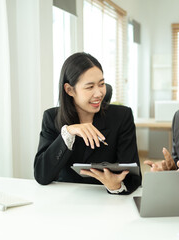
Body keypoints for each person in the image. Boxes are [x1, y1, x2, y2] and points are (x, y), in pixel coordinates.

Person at [34, 52, 141, 194]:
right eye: (90, 87)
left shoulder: (121, 116)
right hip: (65, 201)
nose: (99, 93)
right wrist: (68, 133)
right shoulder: (52, 118)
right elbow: (42, 175)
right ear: (69, 90)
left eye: (101, 84)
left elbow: (134, 179)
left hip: (107, 202)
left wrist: (115, 186)